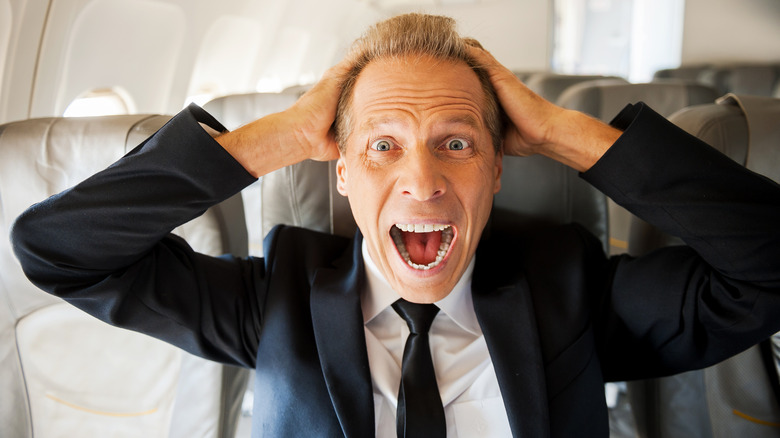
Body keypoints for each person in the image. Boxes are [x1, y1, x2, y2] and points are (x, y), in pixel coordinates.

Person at [10, 13, 780, 438]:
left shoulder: (568, 290)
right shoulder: (276, 296)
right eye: (382, 147)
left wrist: (559, 132)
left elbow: (769, 266)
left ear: (499, 167)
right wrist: (273, 139)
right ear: (340, 173)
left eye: (457, 144)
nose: (422, 179)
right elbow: (59, 251)